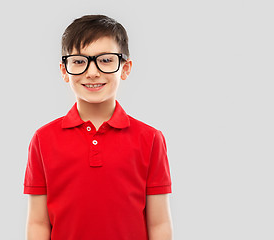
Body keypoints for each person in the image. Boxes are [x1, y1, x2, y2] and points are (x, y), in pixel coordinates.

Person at [23, 14, 173, 240]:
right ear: (64, 70)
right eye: (79, 61)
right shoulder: (43, 139)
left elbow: (159, 223)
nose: (92, 72)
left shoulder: (150, 139)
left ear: (125, 68)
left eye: (105, 60)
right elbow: (37, 223)